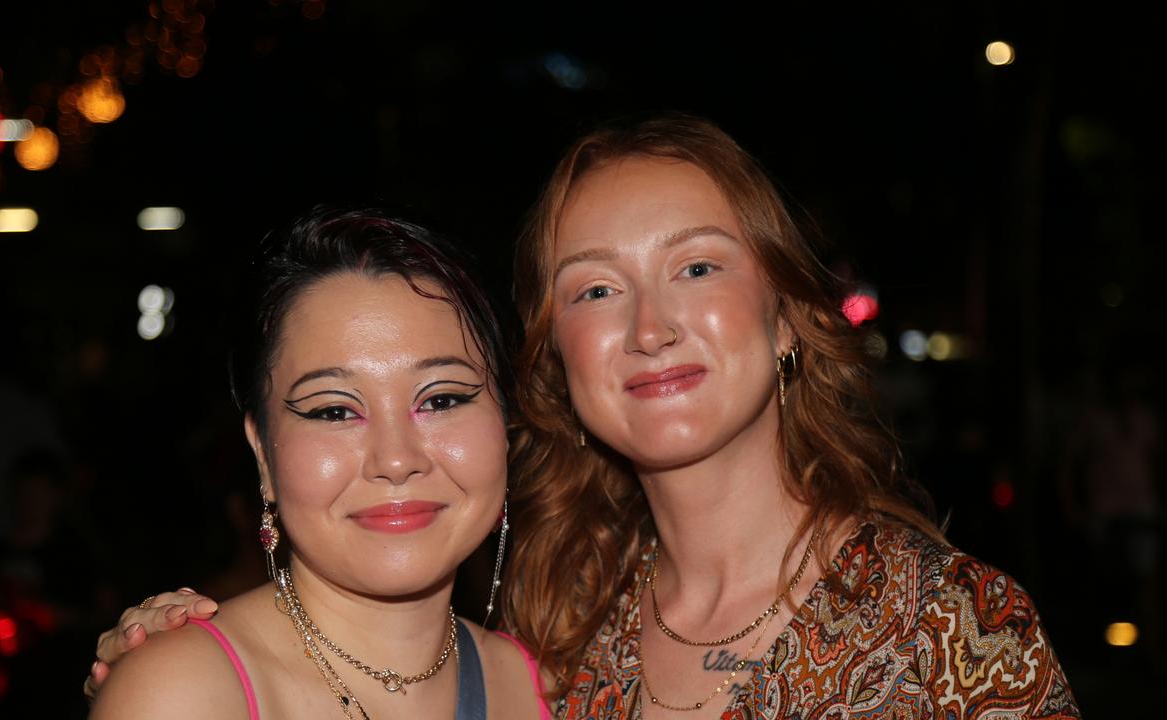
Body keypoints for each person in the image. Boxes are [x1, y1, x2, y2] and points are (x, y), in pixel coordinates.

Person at [89, 116, 1080, 718]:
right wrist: (170, 665)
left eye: (694, 268)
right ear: (555, 365)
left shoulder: (953, 629)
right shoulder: (555, 631)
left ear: (784, 318)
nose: (650, 327)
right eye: (595, 290)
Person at [88, 207, 550, 719]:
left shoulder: (545, 689)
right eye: (334, 410)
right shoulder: (184, 694)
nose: (396, 459)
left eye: (441, 400)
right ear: (262, 452)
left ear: (506, 423)